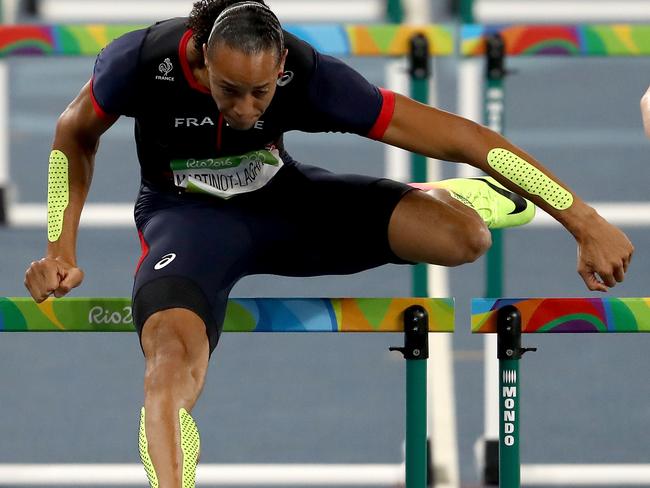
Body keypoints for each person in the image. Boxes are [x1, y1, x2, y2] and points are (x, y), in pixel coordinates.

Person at [24, 1, 634, 486]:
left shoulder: (307, 74)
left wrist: (582, 219)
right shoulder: (140, 61)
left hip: (288, 207)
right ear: (203, 60)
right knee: (168, 369)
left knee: (464, 238)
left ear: (279, 69)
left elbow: (464, 137)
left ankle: (449, 199)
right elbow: (73, 135)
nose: (244, 108)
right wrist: (60, 246)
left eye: (260, 94)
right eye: (230, 89)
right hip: (187, 225)